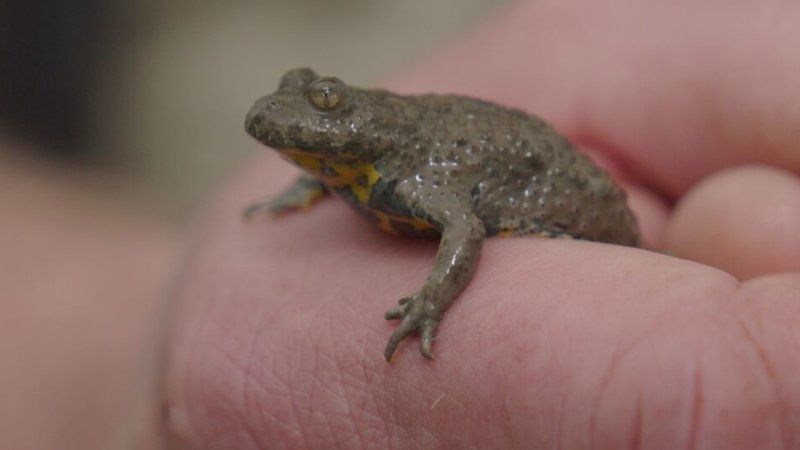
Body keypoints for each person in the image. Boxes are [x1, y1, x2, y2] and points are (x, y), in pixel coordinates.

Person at [163, 0, 800, 447]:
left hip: (558, 194)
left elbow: (461, 227)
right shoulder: (354, 170)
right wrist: (314, 182)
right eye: (307, 98)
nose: (306, 113)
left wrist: (429, 303)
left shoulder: (402, 173)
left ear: (358, 115)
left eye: (326, 101)